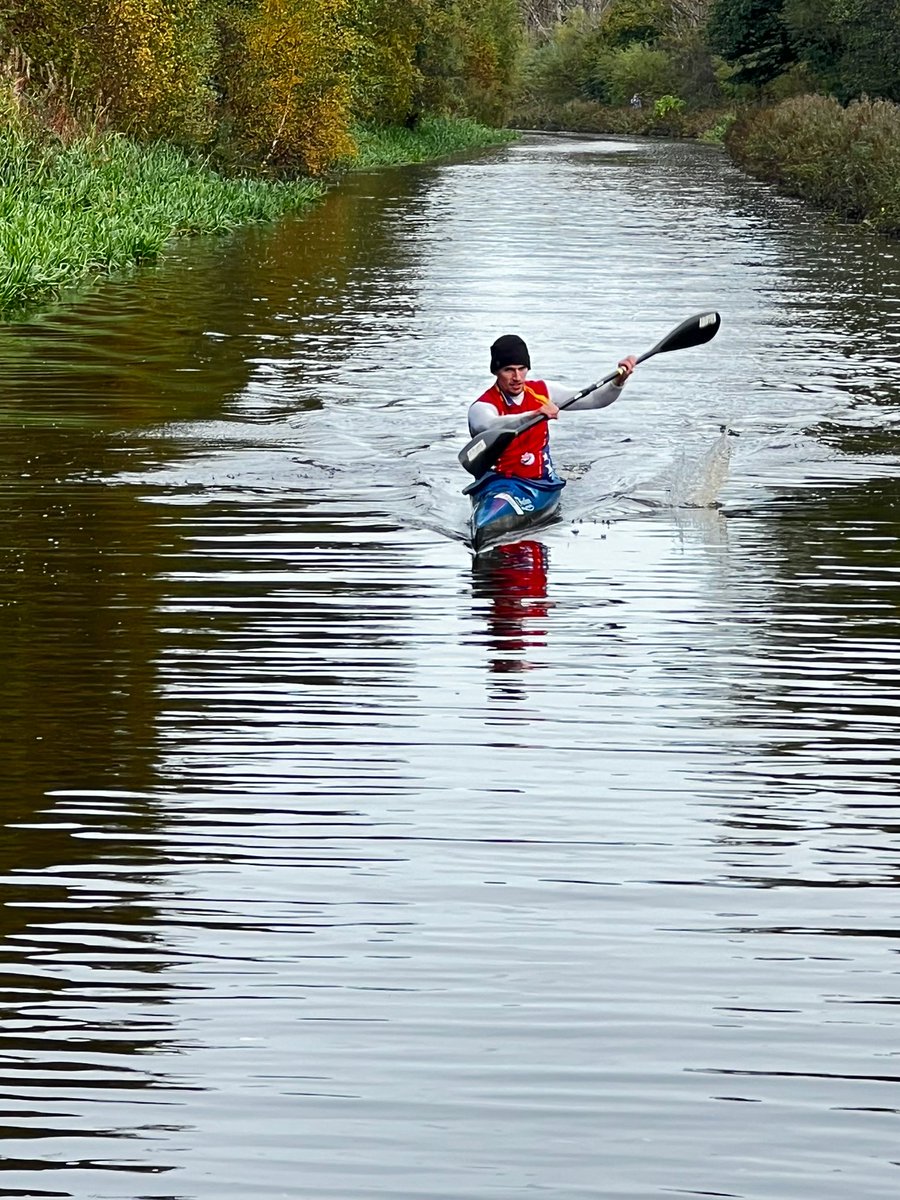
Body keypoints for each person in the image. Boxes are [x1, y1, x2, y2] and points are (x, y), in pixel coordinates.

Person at [467, 333, 637, 484]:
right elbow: (489, 425)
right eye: (508, 370)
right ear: (496, 372)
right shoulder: (482, 406)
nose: (517, 377)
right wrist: (534, 415)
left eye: (522, 369)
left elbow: (596, 400)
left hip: (541, 482)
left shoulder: (543, 391)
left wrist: (618, 382)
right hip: (496, 483)